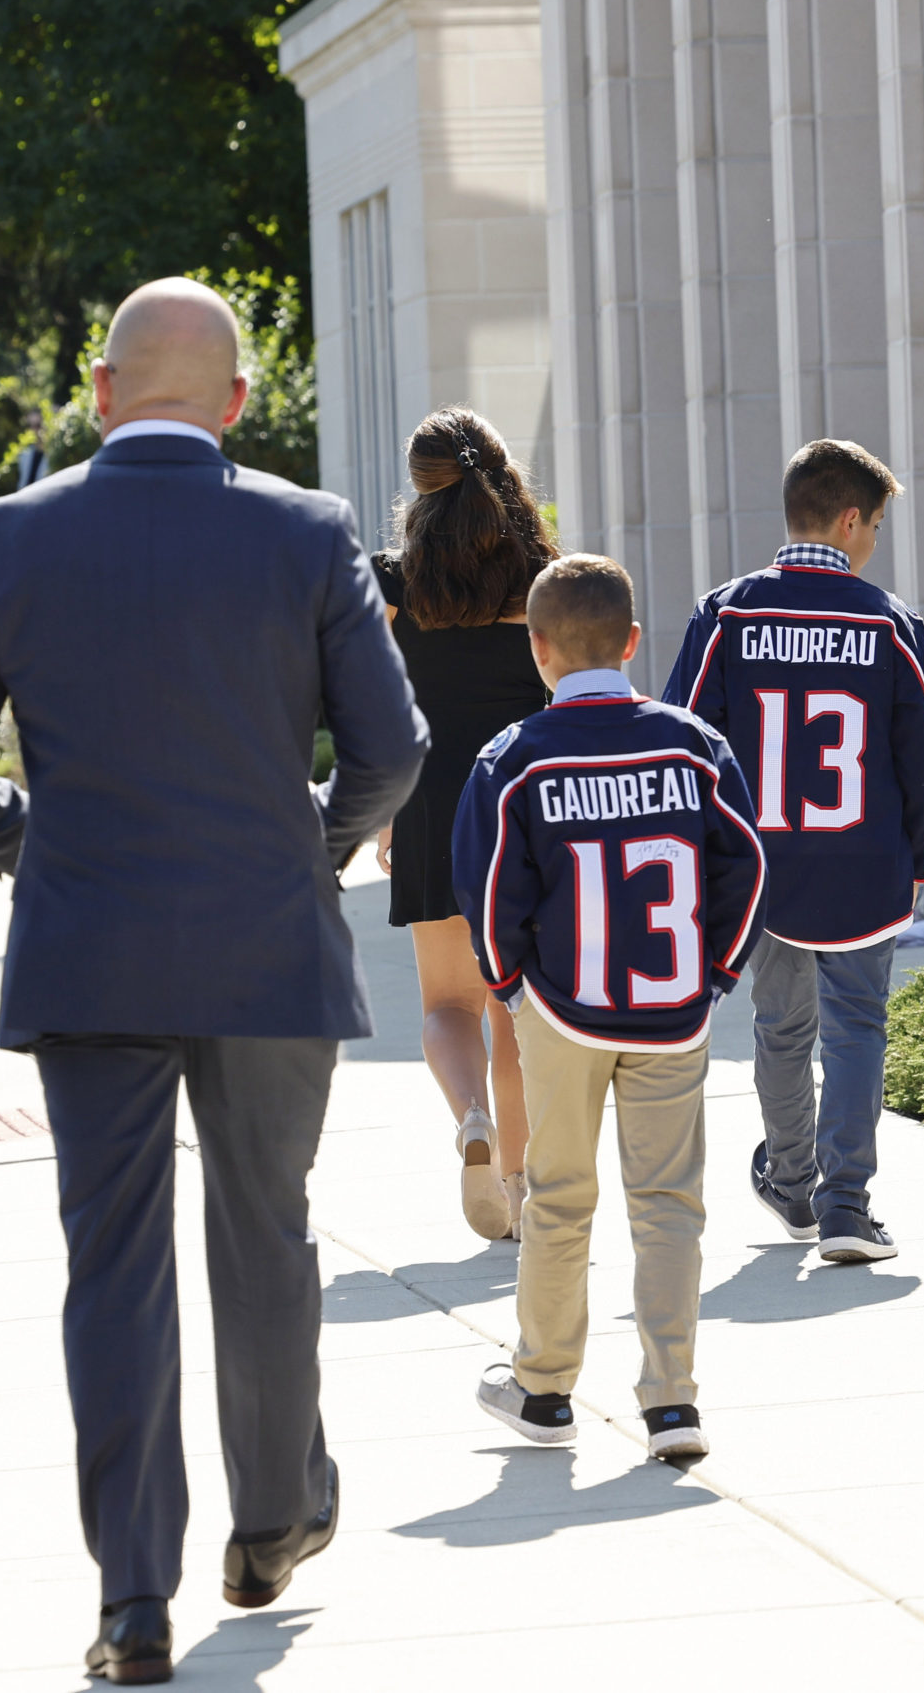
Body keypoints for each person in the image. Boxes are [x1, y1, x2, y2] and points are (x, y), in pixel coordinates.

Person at [0, 277, 426, 1685]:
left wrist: (35, 847)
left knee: (112, 1269)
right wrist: (306, 845)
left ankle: (134, 1599)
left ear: (101, 386)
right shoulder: (305, 532)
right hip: (263, 940)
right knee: (266, 1237)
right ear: (240, 401)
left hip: (91, 945)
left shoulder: (5, 536)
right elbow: (395, 746)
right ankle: (273, 1517)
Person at [452, 554, 766, 1460]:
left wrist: (511, 986)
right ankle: (672, 1401)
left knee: (557, 1194)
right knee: (670, 1199)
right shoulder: (693, 744)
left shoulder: (512, 758)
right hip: (673, 1002)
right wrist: (717, 973)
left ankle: (544, 1386)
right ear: (633, 642)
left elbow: (488, 892)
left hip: (561, 1006)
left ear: (537, 650)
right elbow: (744, 863)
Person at [661, 439, 924, 1264]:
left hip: (763, 869)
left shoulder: (728, 614)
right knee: (857, 1026)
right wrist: (919, 860)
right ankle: (847, 1203)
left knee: (780, 1027)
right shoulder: (889, 621)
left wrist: (699, 862)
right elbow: (920, 754)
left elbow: (685, 740)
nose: (876, 540)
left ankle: (793, 1183)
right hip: (862, 865)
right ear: (850, 520)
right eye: (878, 524)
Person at [372, 407, 556, 1241]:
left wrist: (378, 809)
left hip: (428, 800)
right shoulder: (541, 574)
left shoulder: (390, 582)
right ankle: (518, 1186)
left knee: (447, 1000)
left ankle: (470, 1121)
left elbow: (371, 702)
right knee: (515, 1008)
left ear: (418, 484)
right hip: (521, 805)